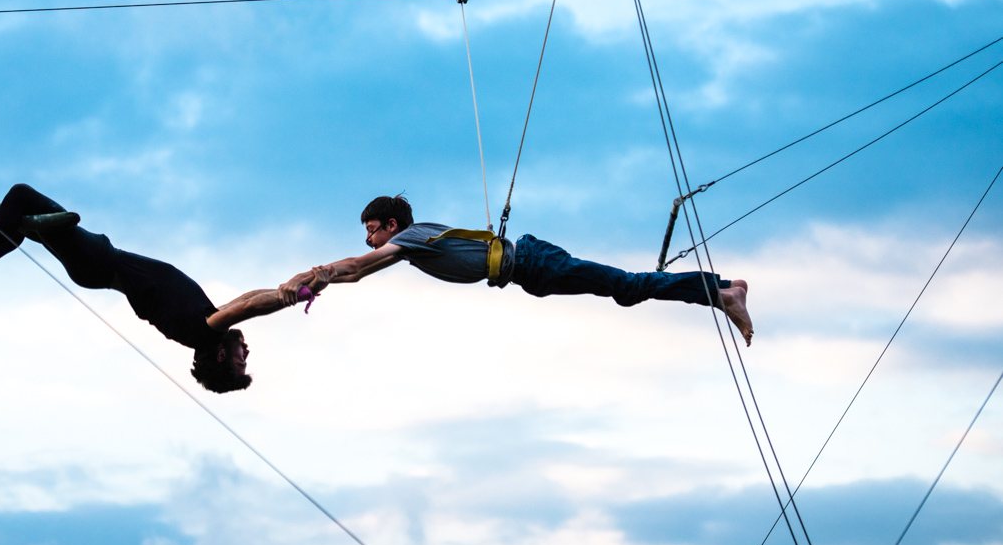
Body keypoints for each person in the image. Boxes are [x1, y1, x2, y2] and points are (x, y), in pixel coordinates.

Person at [0, 184, 321, 392]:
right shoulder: (203, 322)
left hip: (99, 261)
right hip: (96, 266)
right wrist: (290, 285)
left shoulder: (203, 329)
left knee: (23, 197)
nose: (245, 352)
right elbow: (248, 299)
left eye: (239, 362)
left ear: (218, 356)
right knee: (23, 217)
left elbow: (249, 308)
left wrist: (290, 299)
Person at [280, 195, 754, 345]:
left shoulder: (407, 238)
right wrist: (319, 279)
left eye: (371, 229)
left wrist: (317, 276)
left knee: (626, 287)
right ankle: (720, 290)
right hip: (530, 270)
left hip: (530, 262)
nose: (368, 239)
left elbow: (360, 268)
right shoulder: (411, 243)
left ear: (390, 225)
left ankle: (722, 290)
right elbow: (362, 267)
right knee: (623, 289)